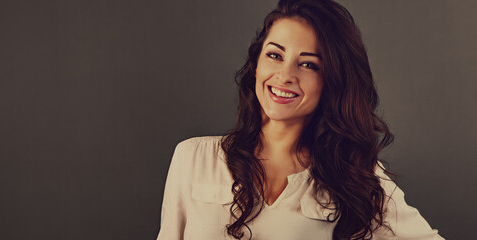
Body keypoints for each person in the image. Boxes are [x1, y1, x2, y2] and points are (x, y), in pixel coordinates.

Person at [157, 0, 444, 239]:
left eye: (308, 64)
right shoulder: (192, 158)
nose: (285, 76)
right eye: (275, 55)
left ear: (331, 81)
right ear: (256, 65)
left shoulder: (355, 173)